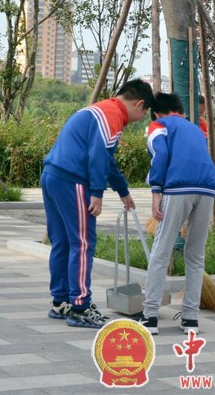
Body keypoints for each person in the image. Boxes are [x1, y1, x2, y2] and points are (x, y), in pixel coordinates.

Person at [42, 78, 153, 329]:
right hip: (73, 180)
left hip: (52, 175)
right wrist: (97, 193)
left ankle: (61, 302)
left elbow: (106, 159)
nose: (141, 118)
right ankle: (80, 306)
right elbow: (98, 157)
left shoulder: (102, 109)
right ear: (139, 104)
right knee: (82, 243)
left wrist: (123, 190)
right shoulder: (112, 116)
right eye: (144, 113)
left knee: (62, 242)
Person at [138, 93, 215, 335]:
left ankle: (150, 317)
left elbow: (160, 155)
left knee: (161, 250)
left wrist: (156, 191)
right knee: (195, 255)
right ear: (181, 112)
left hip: (178, 188)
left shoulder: (158, 125)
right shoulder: (196, 129)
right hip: (207, 189)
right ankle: (190, 319)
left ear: (156, 113)